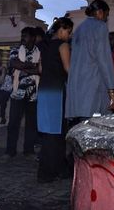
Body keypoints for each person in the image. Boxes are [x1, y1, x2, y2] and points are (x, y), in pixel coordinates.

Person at [65, 0, 114, 124]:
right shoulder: (100, 27)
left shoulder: (79, 29)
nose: (106, 19)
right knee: (95, 132)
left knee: (83, 130)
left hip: (77, 89)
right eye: (106, 15)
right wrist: (112, 91)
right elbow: (104, 60)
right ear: (100, 12)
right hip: (93, 88)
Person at [36, 17, 73, 183]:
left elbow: (40, 69)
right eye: (68, 31)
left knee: (48, 133)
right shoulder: (63, 45)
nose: (69, 35)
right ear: (61, 29)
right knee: (56, 133)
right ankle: (52, 171)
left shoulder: (45, 46)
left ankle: (50, 170)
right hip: (56, 91)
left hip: (44, 90)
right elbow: (68, 69)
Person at [0, 27, 41, 162]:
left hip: (33, 94)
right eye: (22, 36)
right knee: (13, 124)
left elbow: (41, 70)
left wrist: (24, 66)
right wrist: (33, 67)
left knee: (31, 124)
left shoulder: (40, 52)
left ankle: (28, 151)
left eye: (26, 36)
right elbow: (14, 63)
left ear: (34, 38)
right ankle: (10, 151)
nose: (23, 38)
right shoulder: (15, 49)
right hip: (17, 93)